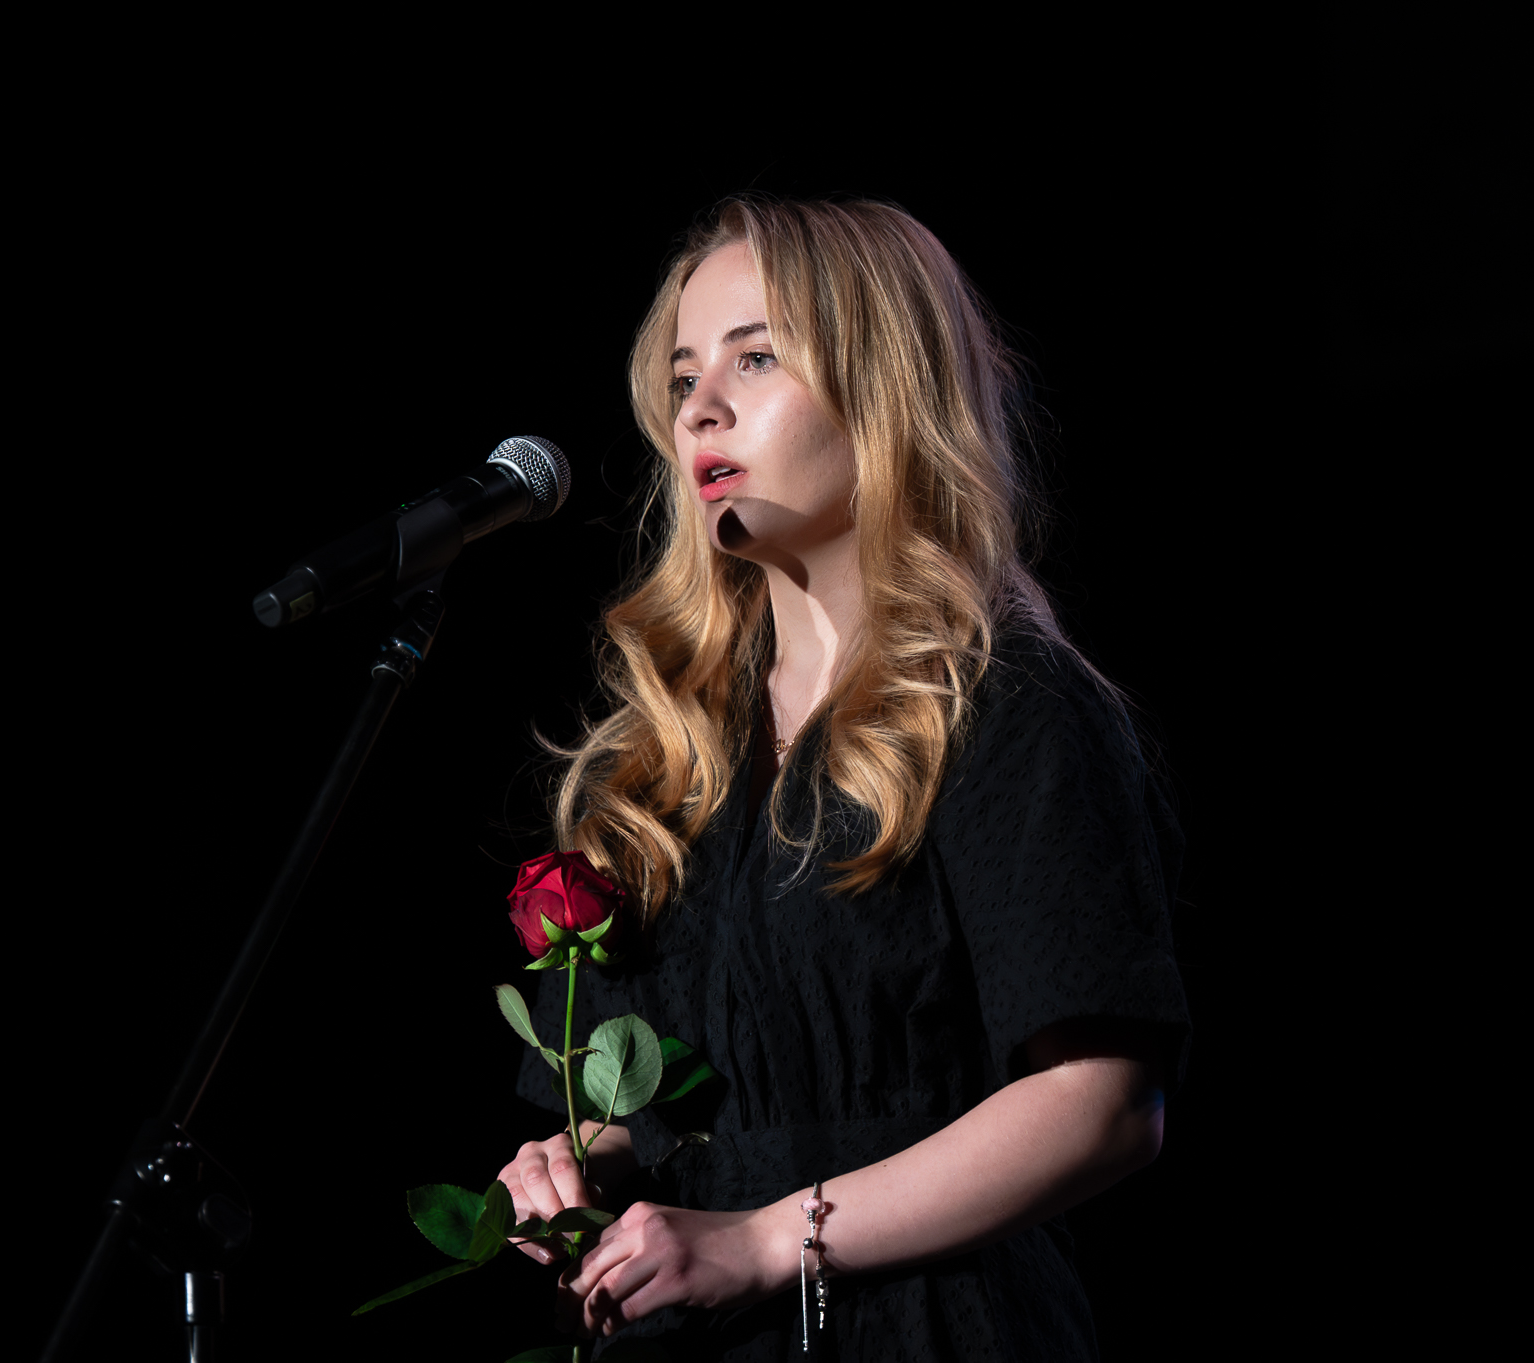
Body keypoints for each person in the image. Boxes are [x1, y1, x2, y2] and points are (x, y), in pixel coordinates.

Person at [495, 198, 1189, 1361]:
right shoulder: (667, 753)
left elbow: (1101, 1100)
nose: (699, 407)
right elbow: (643, 1110)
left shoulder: (1004, 703)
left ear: (882, 385)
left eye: (755, 357)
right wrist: (571, 1162)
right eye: (683, 376)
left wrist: (770, 1238)